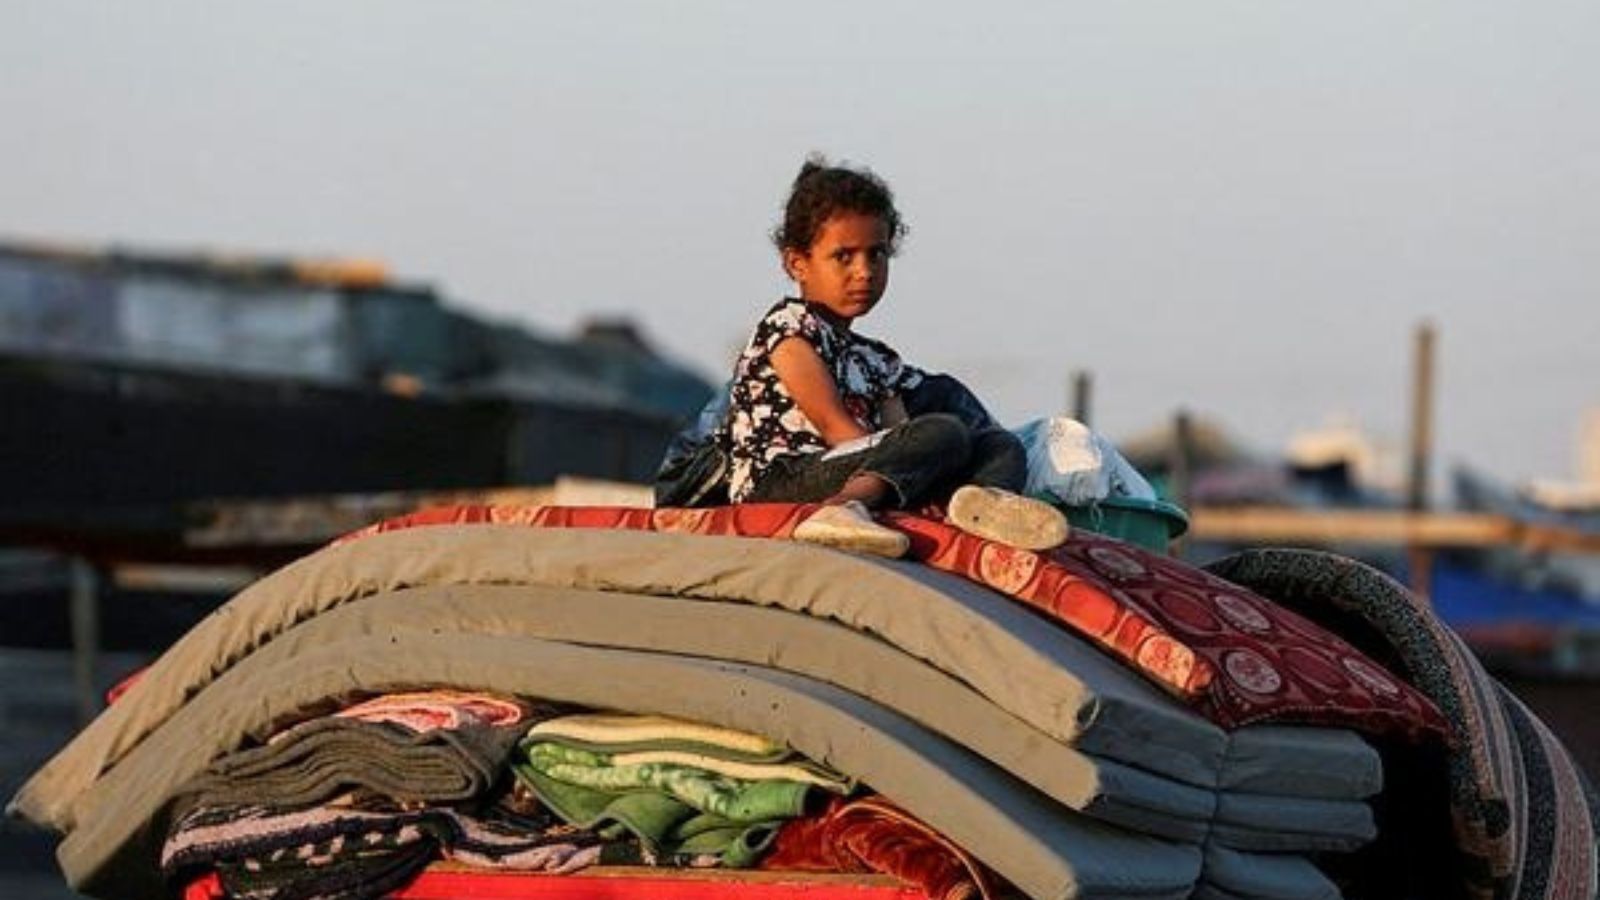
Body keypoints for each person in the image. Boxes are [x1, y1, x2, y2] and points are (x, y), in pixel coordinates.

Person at [724, 156, 1069, 558]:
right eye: (844, 256)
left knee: (999, 444)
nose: (865, 271)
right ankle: (841, 510)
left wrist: (931, 460)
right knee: (944, 431)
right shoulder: (788, 329)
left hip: (854, 465)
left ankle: (981, 510)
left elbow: (899, 433)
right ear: (797, 263)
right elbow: (834, 427)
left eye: (877, 254)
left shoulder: (875, 360)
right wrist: (921, 444)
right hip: (785, 478)